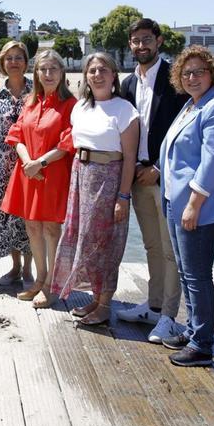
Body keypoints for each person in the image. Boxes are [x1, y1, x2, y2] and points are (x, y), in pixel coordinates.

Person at [159, 45, 214, 367]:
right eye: (186, 72)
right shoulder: (193, 105)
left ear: (213, 73)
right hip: (177, 203)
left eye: (199, 72)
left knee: (197, 276)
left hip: (198, 207)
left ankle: (202, 344)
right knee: (185, 272)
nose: (192, 77)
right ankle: (192, 330)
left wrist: (193, 203)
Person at [50, 52, 139, 325]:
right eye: (92, 70)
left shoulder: (125, 110)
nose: (97, 75)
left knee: (106, 243)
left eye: (103, 70)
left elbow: (129, 159)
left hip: (108, 181)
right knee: (82, 238)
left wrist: (123, 196)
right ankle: (96, 298)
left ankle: (105, 304)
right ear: (86, 77)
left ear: (114, 75)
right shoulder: (81, 108)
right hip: (81, 179)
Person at [117, 18, 189, 343]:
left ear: (158, 41)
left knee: (171, 249)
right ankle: (155, 304)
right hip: (136, 176)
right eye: (135, 41)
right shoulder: (128, 84)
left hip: (165, 176)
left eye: (147, 39)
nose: (141, 46)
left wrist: (159, 167)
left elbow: (187, 128)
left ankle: (170, 317)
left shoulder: (175, 79)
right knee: (151, 245)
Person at [1, 50, 77, 308]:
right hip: (28, 172)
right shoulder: (30, 101)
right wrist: (26, 162)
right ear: (36, 73)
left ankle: (51, 285)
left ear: (62, 72)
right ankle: (39, 279)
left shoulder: (70, 104)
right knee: (32, 226)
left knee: (51, 229)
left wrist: (39, 162)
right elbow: (17, 134)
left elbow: (68, 142)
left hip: (52, 172)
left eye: (53, 69)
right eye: (43, 69)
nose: (48, 74)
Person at [0, 40, 33, 285]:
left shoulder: (37, 91)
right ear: (3, 63)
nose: (14, 62)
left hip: (31, 166)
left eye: (18, 57)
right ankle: (15, 267)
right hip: (3, 168)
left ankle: (29, 269)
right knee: (9, 216)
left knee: (30, 217)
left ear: (26, 61)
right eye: (9, 58)